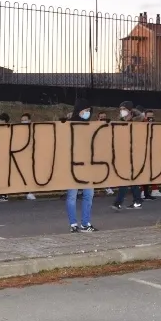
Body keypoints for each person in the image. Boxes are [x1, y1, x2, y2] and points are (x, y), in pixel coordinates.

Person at [64, 99, 97, 233]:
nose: (87, 113)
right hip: (72, 166)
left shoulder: (89, 126)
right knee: (72, 196)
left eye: (89, 110)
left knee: (89, 194)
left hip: (87, 165)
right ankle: (73, 223)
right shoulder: (69, 125)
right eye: (85, 110)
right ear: (79, 110)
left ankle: (85, 223)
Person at [112, 101, 144, 210]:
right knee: (131, 178)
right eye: (121, 109)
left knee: (126, 177)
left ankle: (118, 202)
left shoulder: (138, 122)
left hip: (135, 153)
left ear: (130, 110)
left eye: (124, 109)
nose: (122, 111)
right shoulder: (120, 121)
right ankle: (137, 200)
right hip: (123, 153)